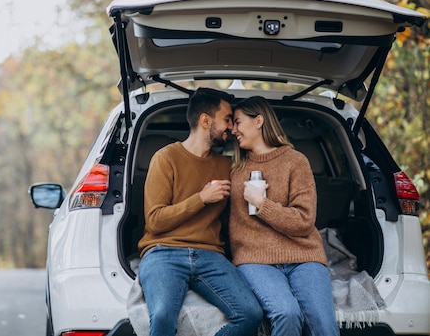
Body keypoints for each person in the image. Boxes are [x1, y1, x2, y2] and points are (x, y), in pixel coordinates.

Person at [137, 87, 263, 336]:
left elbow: (238, 218)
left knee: (251, 314)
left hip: (210, 256)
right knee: (162, 315)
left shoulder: (226, 165)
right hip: (164, 252)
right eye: (227, 119)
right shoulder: (166, 158)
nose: (232, 127)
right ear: (206, 120)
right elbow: (155, 221)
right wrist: (201, 199)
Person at [229, 96, 338, 336]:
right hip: (254, 259)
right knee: (287, 314)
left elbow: (303, 221)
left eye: (237, 122)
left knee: (324, 326)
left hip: (304, 256)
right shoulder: (234, 169)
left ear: (259, 121)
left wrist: (261, 204)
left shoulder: (296, 161)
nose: (233, 130)